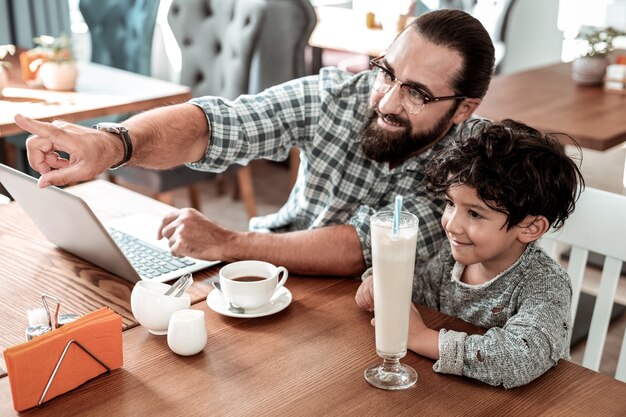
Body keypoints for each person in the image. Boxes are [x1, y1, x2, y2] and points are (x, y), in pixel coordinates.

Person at [14, 9, 494, 277]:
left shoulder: (475, 165)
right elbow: (222, 123)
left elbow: (362, 249)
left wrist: (231, 243)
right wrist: (111, 144)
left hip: (379, 317)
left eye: (416, 93)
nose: (386, 101)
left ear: (465, 107)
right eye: (386, 72)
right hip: (273, 274)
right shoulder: (336, 95)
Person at [355, 119, 585, 388]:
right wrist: (379, 285)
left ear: (530, 227)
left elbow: (518, 358)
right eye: (450, 204)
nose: (451, 224)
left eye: (474, 213)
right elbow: (418, 291)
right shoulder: (450, 259)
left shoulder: (544, 284)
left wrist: (421, 338)